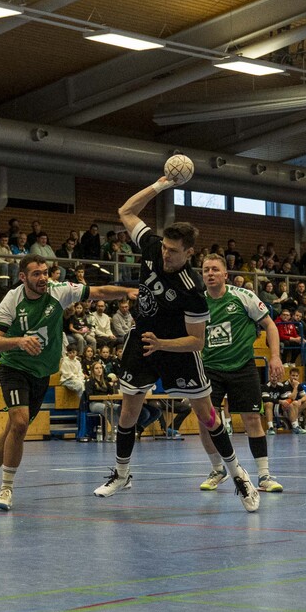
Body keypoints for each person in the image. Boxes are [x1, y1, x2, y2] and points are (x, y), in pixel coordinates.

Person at [93, 173, 259, 511]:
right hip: (144, 342)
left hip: (176, 349)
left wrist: (163, 344)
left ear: (189, 252)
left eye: (173, 251)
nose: (165, 255)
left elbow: (197, 342)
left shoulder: (192, 290)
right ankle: (121, 475)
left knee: (208, 416)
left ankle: (238, 475)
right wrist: (161, 184)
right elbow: (125, 211)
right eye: (165, 248)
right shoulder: (153, 247)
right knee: (127, 412)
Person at [0, 257, 132, 511]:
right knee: (20, 423)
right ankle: (6, 489)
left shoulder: (59, 291)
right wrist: (20, 341)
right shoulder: (12, 299)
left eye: (45, 273)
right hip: (15, 368)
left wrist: (127, 291)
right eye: (36, 274)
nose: (43, 278)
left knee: (14, 428)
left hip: (42, 373)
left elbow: (99, 292)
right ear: (23, 277)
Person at [197, 253, 285, 494]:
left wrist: (275, 356)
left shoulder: (243, 296)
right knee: (205, 421)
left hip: (242, 366)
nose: (210, 273)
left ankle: (264, 476)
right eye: (206, 270)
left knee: (252, 419)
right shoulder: (197, 302)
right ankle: (218, 469)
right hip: (210, 368)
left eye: (215, 269)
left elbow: (270, 325)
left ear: (225, 274)